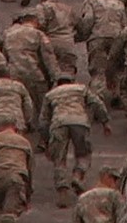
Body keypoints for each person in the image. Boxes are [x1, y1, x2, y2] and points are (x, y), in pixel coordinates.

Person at [39, 73, 111, 207]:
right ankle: (78, 175)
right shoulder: (81, 89)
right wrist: (105, 122)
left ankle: (62, 191)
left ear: (57, 83)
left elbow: (43, 121)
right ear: (72, 81)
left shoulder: (50, 94)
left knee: (59, 159)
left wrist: (45, 141)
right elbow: (97, 103)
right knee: (84, 153)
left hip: (58, 123)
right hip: (79, 122)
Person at [2, 9, 59, 122]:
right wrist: (55, 77)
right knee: (41, 103)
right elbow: (48, 57)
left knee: (18, 101)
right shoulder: (38, 34)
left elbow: (4, 54)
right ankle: (41, 126)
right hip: (33, 73)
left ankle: (22, 124)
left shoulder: (8, 33)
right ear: (35, 21)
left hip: (13, 73)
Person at [76, 0, 127, 105]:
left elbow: (88, 19)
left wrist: (83, 34)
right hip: (117, 36)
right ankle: (117, 94)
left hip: (98, 37)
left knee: (98, 70)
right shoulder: (118, 3)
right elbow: (124, 22)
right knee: (117, 68)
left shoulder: (90, 2)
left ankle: (97, 100)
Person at [0, 121, 34, 223]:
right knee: (10, 214)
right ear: (15, 127)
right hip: (17, 178)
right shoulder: (25, 142)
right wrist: (28, 193)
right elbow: (29, 169)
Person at [0, 64, 35, 135]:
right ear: (9, 76)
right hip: (17, 122)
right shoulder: (19, 86)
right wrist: (26, 121)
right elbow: (28, 106)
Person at [36, 0, 78, 76]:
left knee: (48, 70)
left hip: (50, 42)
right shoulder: (68, 8)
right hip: (67, 42)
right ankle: (68, 87)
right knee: (68, 70)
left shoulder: (42, 7)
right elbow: (78, 24)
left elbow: (41, 24)